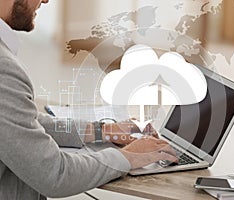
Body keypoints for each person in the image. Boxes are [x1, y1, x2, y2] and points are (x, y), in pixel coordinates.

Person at [0, 0, 178, 199]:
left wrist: (102, 130)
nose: (45, 0)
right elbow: (54, 174)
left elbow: (21, 123)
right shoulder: (4, 68)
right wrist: (129, 156)